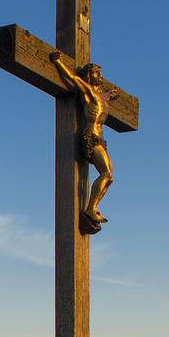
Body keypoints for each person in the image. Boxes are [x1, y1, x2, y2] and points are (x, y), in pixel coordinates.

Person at [50, 51, 114, 234]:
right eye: (96, 73)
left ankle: (92, 209)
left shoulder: (101, 95)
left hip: (101, 139)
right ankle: (90, 209)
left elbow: (106, 97)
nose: (100, 76)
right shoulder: (87, 91)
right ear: (88, 75)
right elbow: (71, 78)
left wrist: (111, 93)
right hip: (90, 137)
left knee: (109, 177)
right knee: (106, 172)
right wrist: (58, 63)